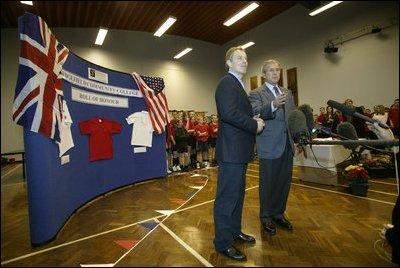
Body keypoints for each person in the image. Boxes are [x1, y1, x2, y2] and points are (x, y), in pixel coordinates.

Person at [213, 46, 264, 262]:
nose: (244, 60)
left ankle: (234, 231)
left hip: (239, 151)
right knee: (227, 199)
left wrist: (258, 117)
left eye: (246, 57)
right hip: (232, 151)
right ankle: (223, 243)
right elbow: (228, 114)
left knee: (238, 196)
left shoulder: (238, 85)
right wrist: (254, 125)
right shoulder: (227, 83)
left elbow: (240, 112)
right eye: (239, 58)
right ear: (229, 63)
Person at [248, 59, 296, 236]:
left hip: (287, 145)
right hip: (268, 145)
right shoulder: (256, 93)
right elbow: (254, 113)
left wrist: (298, 137)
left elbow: (292, 116)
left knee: (284, 182)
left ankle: (278, 213)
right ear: (264, 75)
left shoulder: (287, 92)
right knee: (268, 183)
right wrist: (274, 104)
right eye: (271, 71)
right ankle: (266, 216)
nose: (275, 73)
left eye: (277, 70)